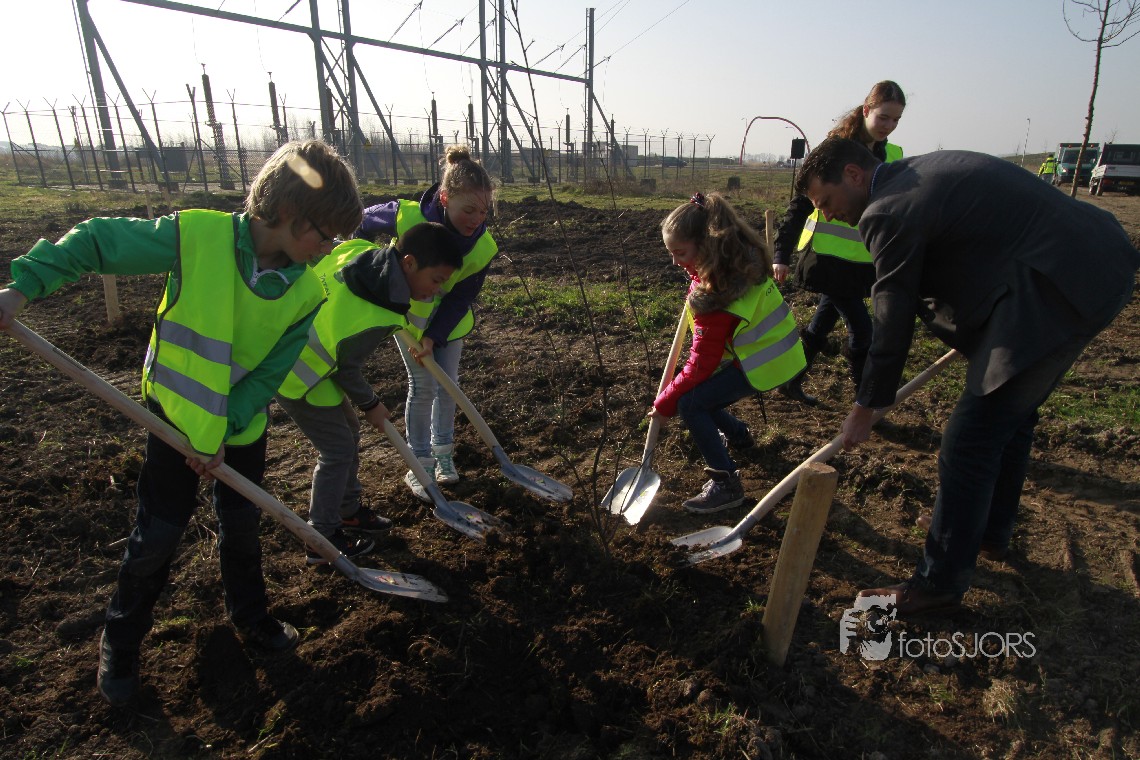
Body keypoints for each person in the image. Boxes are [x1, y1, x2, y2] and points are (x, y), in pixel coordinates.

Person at [0, 139, 362, 706]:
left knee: (242, 526)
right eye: (325, 234)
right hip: (173, 421)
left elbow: (267, 377)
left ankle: (251, 617)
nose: (328, 249)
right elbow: (97, 241)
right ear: (291, 211)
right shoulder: (197, 237)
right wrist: (21, 288)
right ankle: (121, 643)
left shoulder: (306, 290)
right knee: (158, 535)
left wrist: (222, 432)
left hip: (239, 428)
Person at [796, 137, 1139, 616]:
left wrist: (866, 405)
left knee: (969, 439)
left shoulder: (886, 210)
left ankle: (937, 584)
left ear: (853, 175)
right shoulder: (919, 174)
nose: (827, 215)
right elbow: (973, 253)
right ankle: (988, 533)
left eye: (825, 201)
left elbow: (892, 317)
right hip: (1094, 261)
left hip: (1057, 286)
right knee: (1010, 420)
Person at [276, 222, 462, 563]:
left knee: (348, 434)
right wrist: (371, 404)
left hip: (310, 361)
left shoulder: (362, 253)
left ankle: (347, 511)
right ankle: (321, 536)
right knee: (337, 450)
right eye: (436, 280)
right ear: (409, 263)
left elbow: (340, 248)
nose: (437, 291)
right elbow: (347, 368)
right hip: (296, 373)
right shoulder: (375, 315)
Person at [650, 192, 807, 514]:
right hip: (779, 351)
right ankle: (738, 434)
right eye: (670, 253)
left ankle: (726, 484)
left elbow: (701, 365)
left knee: (690, 403)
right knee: (702, 395)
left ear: (705, 246)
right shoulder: (740, 264)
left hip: (766, 361)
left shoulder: (717, 298)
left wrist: (665, 403)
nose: (675, 262)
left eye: (680, 253)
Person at [356, 145, 496, 502]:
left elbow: (461, 297)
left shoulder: (482, 247)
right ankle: (418, 462)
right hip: (408, 318)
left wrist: (435, 336)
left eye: (483, 211)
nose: (476, 219)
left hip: (448, 323)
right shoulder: (407, 217)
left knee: (448, 386)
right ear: (445, 198)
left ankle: (443, 454)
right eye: (468, 210)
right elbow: (359, 223)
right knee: (423, 386)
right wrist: (369, 266)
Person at [774, 80, 906, 405]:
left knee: (821, 324)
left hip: (861, 262)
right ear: (866, 110)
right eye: (883, 117)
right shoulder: (835, 150)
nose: (888, 126)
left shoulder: (893, 156)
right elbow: (801, 203)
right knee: (863, 331)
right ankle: (865, 401)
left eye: (896, 120)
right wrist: (781, 253)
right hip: (827, 259)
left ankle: (790, 381)